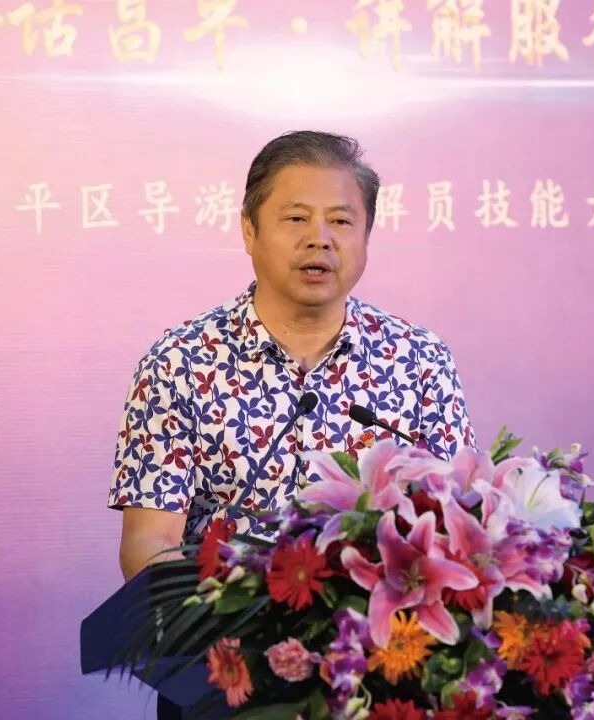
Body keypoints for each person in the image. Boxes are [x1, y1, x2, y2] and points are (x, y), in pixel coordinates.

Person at [106, 130, 474, 718]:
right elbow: (150, 542)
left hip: (378, 677)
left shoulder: (420, 361)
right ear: (249, 230)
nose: (319, 238)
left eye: (341, 221)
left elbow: (455, 523)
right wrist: (215, 645)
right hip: (223, 678)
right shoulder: (181, 362)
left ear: (366, 238)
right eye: (296, 218)